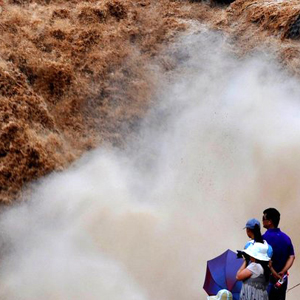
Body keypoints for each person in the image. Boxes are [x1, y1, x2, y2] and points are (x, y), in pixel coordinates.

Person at [262, 208, 295, 300]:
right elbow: (292, 256)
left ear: (270, 221)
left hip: (266, 279)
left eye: (263, 218)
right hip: (282, 280)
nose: (262, 220)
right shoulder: (286, 238)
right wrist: (283, 271)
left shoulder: (263, 239)